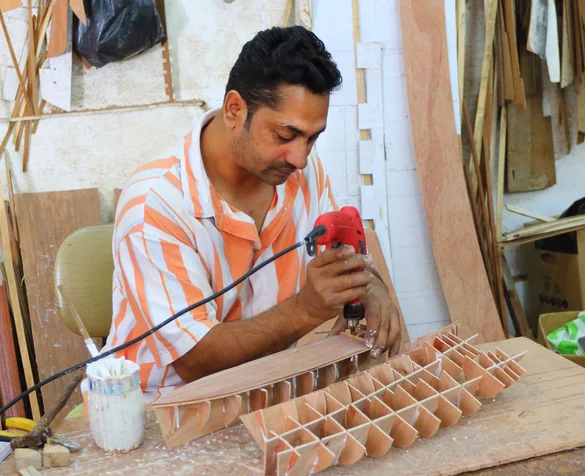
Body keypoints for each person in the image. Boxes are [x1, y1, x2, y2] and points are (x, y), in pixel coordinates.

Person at [102, 25, 403, 402]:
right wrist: (307, 310)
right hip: (163, 411)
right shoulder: (154, 205)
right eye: (284, 136)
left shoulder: (301, 174)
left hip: (265, 391)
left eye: (313, 138)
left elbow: (342, 258)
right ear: (234, 110)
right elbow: (193, 359)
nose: (301, 157)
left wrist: (368, 285)